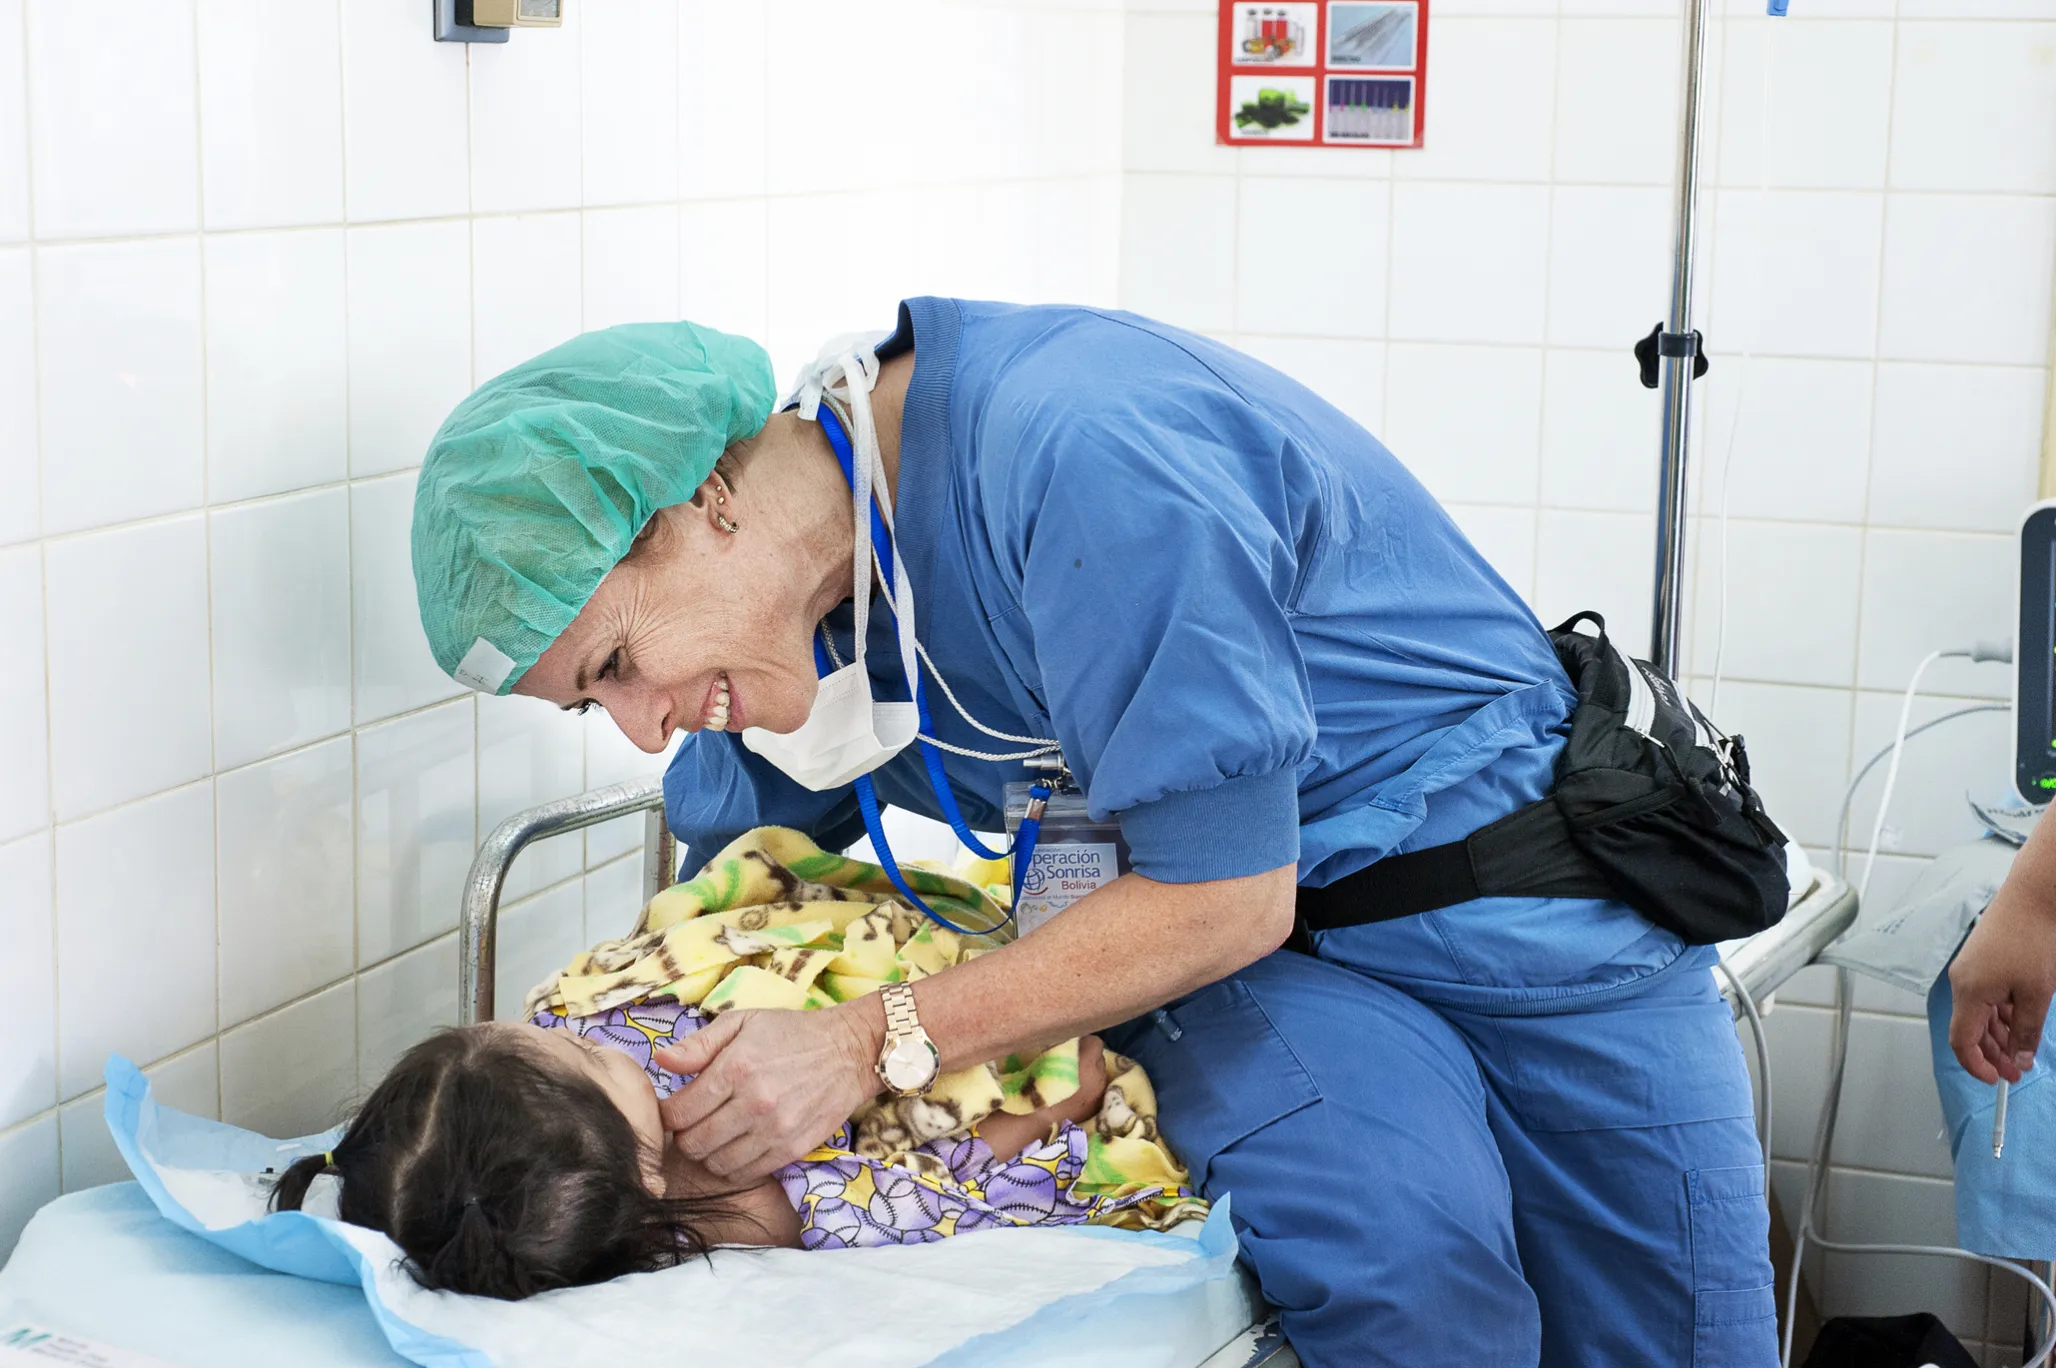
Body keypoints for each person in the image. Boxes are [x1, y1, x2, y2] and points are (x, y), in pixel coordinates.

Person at [412, 301, 1775, 1365]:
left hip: (1515, 911)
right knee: (1409, 1281)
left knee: (1672, 1341)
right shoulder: (813, 616)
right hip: (1269, 966)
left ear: (695, 505)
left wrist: (873, 1042)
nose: (646, 730)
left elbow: (1223, 894)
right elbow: (723, 898)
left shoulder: (1077, 454)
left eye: (612, 668)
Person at [268, 1005, 1130, 1299]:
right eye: (594, 1057)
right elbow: (939, 1187)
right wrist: (1060, 1107)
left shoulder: (564, 1118)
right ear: (642, 1169)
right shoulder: (757, 1209)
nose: (568, 1031)